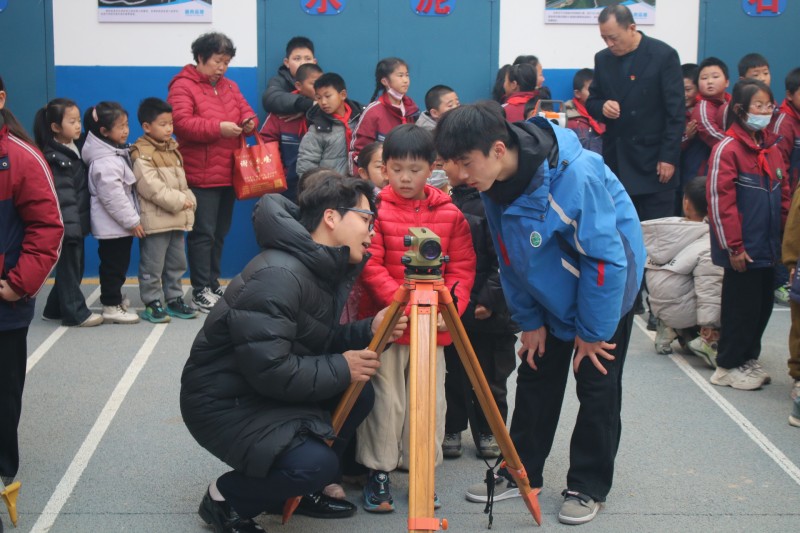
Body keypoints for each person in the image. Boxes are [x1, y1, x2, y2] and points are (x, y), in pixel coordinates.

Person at [435, 102, 645, 525]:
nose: (458, 174)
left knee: (597, 385)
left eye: (465, 162)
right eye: (451, 163)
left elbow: (604, 261)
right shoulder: (493, 182)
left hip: (605, 288)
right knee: (535, 373)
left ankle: (588, 484)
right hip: (547, 288)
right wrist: (529, 321)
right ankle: (522, 472)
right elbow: (508, 256)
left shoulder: (575, 176)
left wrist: (593, 331)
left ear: (498, 149)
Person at [181, 176, 408, 532]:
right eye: (366, 219)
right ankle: (226, 498)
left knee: (359, 393)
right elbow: (271, 369)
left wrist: (369, 330)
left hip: (254, 390)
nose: (371, 231)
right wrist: (342, 366)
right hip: (225, 404)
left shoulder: (315, 266)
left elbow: (317, 342)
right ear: (331, 217)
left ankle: (295, 490)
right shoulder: (279, 275)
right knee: (316, 463)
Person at [355, 124, 475, 513]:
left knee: (430, 403)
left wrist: (449, 311)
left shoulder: (450, 214)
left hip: (432, 328)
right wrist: (403, 307)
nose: (405, 178)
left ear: (432, 168)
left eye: (415, 169)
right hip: (392, 326)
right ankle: (379, 471)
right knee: (386, 401)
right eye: (396, 169)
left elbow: (461, 270)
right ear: (384, 168)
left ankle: (421, 472)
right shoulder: (376, 211)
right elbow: (371, 265)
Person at [0, 74, 64, 501]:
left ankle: (3, 476)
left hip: (4, 310)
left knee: (2, 399)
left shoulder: (22, 158)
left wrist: (18, 285)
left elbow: (47, 227)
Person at [707, 79, 790, 390]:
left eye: (769, 106)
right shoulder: (726, 149)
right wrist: (734, 247)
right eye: (758, 106)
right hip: (742, 248)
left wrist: (785, 240)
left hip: (769, 247)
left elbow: (784, 195)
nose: (765, 112)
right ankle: (727, 365)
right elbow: (721, 202)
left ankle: (747, 358)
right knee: (740, 307)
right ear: (741, 110)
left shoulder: (772, 148)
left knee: (762, 306)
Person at [167, 32, 258, 313]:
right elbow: (181, 124)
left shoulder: (230, 86)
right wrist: (219, 128)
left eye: (226, 62)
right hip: (200, 173)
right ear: (200, 57)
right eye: (218, 61)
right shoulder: (182, 85)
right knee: (203, 234)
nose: (222, 67)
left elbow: (247, 111)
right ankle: (199, 289)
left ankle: (211, 282)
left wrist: (249, 122)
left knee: (219, 233)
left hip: (229, 172)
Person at [440, 151, 518, 461]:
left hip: (490, 313)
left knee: (491, 377)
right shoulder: (444, 201)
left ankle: (489, 429)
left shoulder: (494, 202)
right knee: (453, 374)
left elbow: (507, 260)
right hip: (454, 307)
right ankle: (452, 428)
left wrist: (489, 299)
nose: (443, 167)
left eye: (446, 162)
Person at [586, 5, 684, 221]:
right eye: (604, 38)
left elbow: (675, 113)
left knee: (655, 233)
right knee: (620, 229)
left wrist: (668, 157)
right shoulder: (602, 59)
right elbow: (592, 101)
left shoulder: (663, 55)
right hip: (618, 161)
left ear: (632, 28)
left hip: (654, 163)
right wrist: (602, 107)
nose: (609, 44)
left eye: (613, 38)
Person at [33, 99, 101, 327]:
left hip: (75, 222)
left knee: (72, 268)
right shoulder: (56, 158)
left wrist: (94, 115)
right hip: (67, 225)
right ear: (55, 127)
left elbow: (91, 131)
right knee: (71, 270)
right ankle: (75, 314)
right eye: (72, 121)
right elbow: (65, 199)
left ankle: (53, 309)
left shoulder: (74, 146)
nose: (78, 125)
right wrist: (70, 230)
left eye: (79, 120)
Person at [643, 176, 722, 368]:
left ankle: (670, 327)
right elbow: (709, 290)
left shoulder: (668, 228)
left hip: (657, 303)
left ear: (686, 202)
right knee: (726, 282)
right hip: (680, 308)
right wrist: (710, 328)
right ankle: (705, 339)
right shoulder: (710, 242)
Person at [130, 97, 197, 323]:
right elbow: (152, 188)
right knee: (153, 264)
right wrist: (181, 201)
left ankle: (174, 299)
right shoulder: (141, 153)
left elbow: (182, 183)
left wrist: (190, 200)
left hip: (176, 217)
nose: (169, 128)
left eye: (171, 123)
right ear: (147, 126)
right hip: (156, 221)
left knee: (176, 263)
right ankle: (152, 303)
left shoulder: (172, 149)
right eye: (163, 124)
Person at [82, 102, 142, 325]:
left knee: (117, 265)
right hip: (113, 228)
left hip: (117, 227)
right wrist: (133, 221)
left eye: (126, 124)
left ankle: (114, 298)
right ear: (104, 131)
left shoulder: (114, 152)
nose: (126, 130)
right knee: (113, 267)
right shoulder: (105, 162)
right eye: (121, 126)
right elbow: (113, 198)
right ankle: (110, 305)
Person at [260, 63, 323, 202]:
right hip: (286, 188)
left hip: (320, 187)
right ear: (299, 86)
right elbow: (266, 142)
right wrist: (282, 174)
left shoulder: (327, 111)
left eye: (322, 84)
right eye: (314, 84)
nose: (320, 89)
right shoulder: (282, 112)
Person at [349, 57, 419, 170]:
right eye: (400, 75)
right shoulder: (373, 112)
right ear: (385, 81)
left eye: (407, 75)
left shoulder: (411, 109)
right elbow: (359, 151)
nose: (406, 80)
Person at [297, 72, 363, 177]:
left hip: (359, 183)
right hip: (331, 185)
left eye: (327, 96)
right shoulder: (317, 128)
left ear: (343, 95)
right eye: (318, 98)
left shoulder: (361, 118)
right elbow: (306, 165)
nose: (323, 102)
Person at [262, 36, 317, 116]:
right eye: (297, 59)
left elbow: (332, 102)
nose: (302, 63)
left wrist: (306, 111)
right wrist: (303, 105)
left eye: (308, 59)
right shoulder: (278, 81)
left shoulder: (322, 82)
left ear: (314, 62)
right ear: (287, 63)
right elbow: (270, 99)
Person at [691, 57, 731, 164]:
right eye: (704, 78)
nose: (710, 81)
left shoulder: (732, 103)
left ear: (727, 82)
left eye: (715, 77)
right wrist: (742, 147)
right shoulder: (702, 108)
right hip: (707, 167)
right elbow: (714, 135)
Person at [564, 68, 604, 155]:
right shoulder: (568, 119)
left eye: (598, 89)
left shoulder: (605, 115)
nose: (596, 93)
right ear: (578, 94)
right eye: (590, 90)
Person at [774, 67, 800, 191]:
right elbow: (778, 169)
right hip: (790, 195)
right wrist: (786, 198)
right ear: (789, 95)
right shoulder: (783, 125)